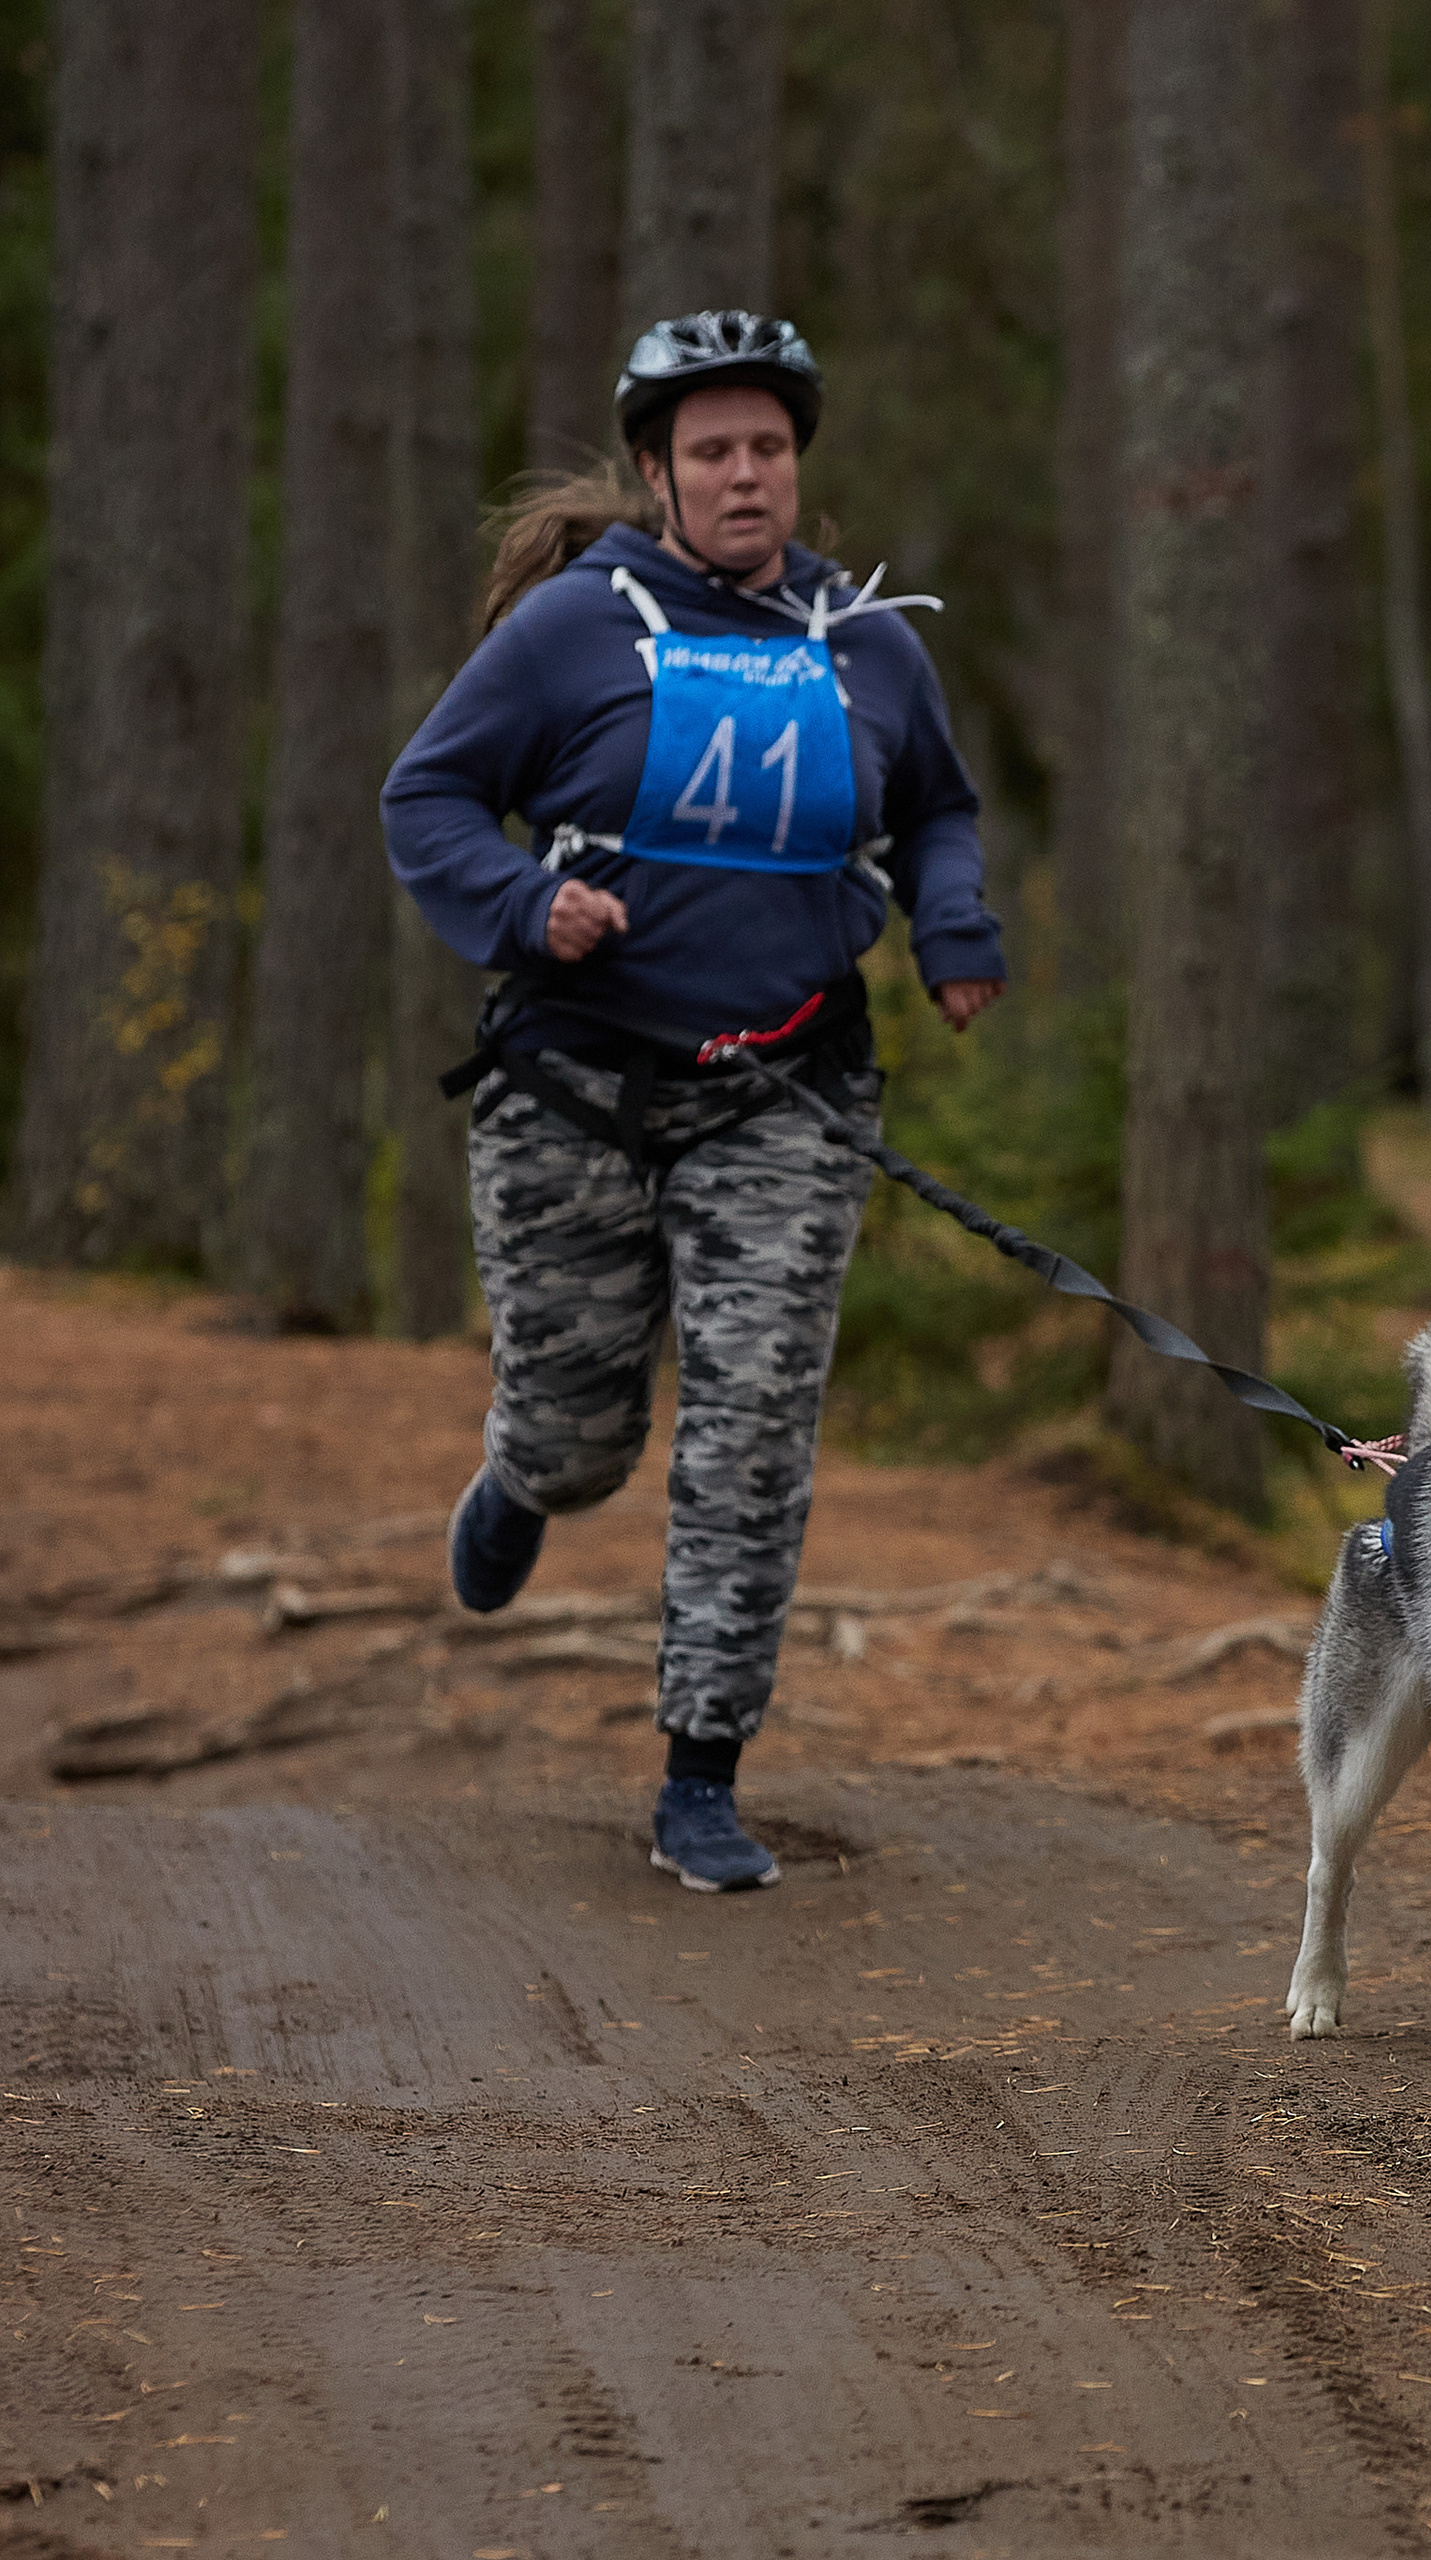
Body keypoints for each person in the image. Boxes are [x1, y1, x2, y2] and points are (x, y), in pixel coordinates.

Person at [382, 311, 1004, 1893]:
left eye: (771, 450)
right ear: (656, 470)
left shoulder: (870, 643)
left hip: (786, 1098)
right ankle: (526, 1475)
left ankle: (702, 1772)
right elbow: (428, 797)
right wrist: (528, 908)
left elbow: (937, 807)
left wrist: (955, 932)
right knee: (589, 1440)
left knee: (751, 1435)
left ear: (801, 467)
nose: (747, 477)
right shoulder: (567, 633)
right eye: (714, 451)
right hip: (573, 1092)